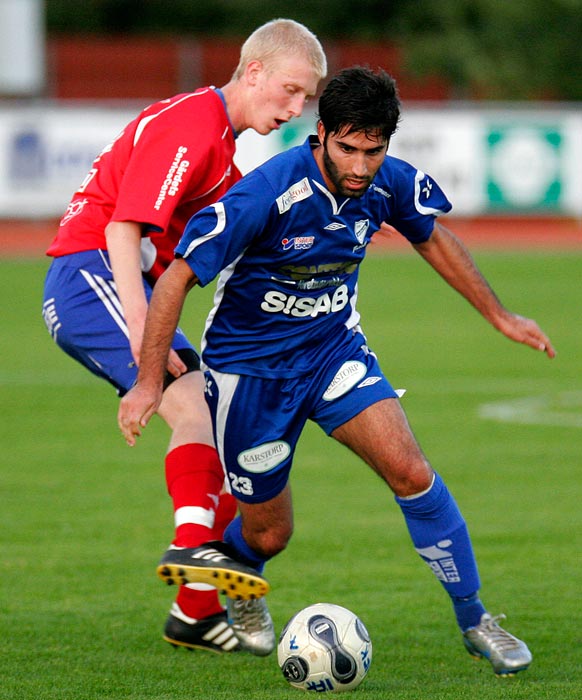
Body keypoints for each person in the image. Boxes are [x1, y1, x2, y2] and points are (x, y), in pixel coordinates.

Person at [117, 67, 555, 672]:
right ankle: (241, 570)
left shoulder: (386, 183)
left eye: (373, 151)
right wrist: (146, 382)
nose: (359, 165)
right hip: (251, 376)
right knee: (270, 534)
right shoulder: (267, 192)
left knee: (411, 470)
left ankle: (476, 618)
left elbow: (433, 238)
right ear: (319, 134)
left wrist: (499, 315)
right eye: (347, 148)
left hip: (333, 353)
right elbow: (175, 278)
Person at [41, 18, 327, 654]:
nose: (295, 108)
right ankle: (195, 543)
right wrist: (148, 363)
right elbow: (122, 231)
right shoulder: (194, 126)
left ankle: (194, 612)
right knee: (195, 411)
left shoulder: (221, 147)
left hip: (124, 283)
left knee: (221, 433)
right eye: (289, 90)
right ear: (252, 71)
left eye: (305, 99)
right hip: (91, 277)